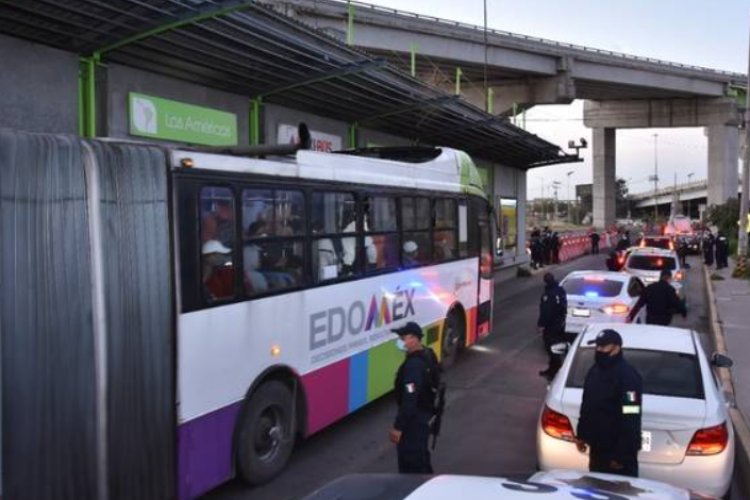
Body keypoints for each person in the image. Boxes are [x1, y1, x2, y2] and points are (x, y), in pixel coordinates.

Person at [576, 329, 643, 478]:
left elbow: (631, 416)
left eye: (604, 346)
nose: (599, 350)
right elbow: (588, 404)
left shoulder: (628, 377)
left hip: (617, 454)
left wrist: (621, 455)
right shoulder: (595, 371)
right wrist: (582, 434)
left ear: (616, 348)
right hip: (598, 449)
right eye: (598, 346)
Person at [389, 322, 439, 474]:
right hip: (426, 415)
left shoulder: (413, 366)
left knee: (411, 463)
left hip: (415, 421)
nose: (400, 341)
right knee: (421, 457)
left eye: (403, 338)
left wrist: (398, 427)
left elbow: (410, 398)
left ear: (415, 339)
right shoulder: (428, 353)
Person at [537, 272, 567, 380]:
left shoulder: (548, 294)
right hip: (559, 324)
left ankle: (556, 370)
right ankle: (552, 369)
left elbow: (546, 312)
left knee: (551, 348)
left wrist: (541, 325)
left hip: (551, 326)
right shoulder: (560, 290)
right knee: (555, 347)